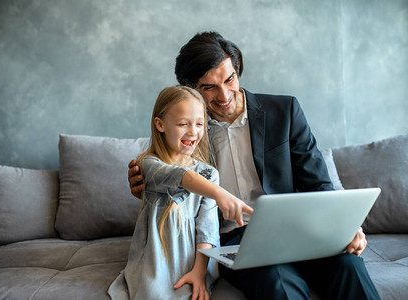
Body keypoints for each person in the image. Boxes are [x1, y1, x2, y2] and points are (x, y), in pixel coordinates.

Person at [128, 32, 380, 299]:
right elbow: (165, 173)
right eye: (209, 87)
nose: (224, 95)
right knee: (279, 283)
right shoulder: (190, 132)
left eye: (229, 79)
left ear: (238, 71)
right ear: (191, 88)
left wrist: (343, 226)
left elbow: (317, 183)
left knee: (349, 267)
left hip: (298, 229)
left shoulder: (285, 111)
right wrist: (143, 184)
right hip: (235, 240)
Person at [109, 85, 252, 300]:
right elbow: (183, 177)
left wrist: (199, 272)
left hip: (195, 260)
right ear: (160, 124)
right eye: (183, 124)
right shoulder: (148, 164)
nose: (193, 132)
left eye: (199, 124)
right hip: (156, 260)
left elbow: (207, 229)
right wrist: (222, 194)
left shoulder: (209, 173)